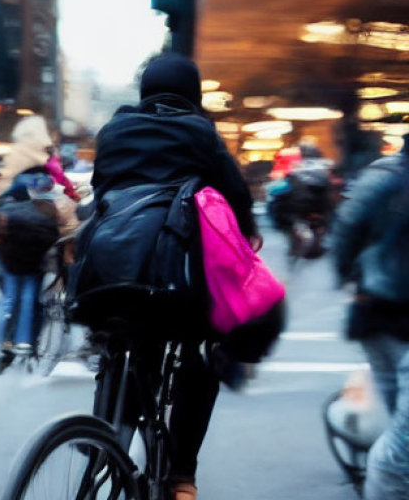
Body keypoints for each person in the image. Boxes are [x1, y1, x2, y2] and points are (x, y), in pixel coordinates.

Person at [88, 52, 259, 500]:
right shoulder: (200, 133)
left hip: (108, 276)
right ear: (193, 94)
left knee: (128, 339)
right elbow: (235, 199)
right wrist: (249, 236)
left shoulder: (113, 132)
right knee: (202, 356)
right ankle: (182, 476)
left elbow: (101, 192)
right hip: (174, 281)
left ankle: (105, 439)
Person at [332, 132, 409, 500]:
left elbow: (347, 227)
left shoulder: (380, 178)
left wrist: (347, 274)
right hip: (386, 311)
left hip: (379, 309)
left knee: (397, 409)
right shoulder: (387, 180)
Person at [0, 171, 77, 374]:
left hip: (9, 257)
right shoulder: (59, 206)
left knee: (9, 297)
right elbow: (71, 232)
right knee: (29, 298)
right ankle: (25, 342)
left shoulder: (7, 205)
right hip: (36, 260)